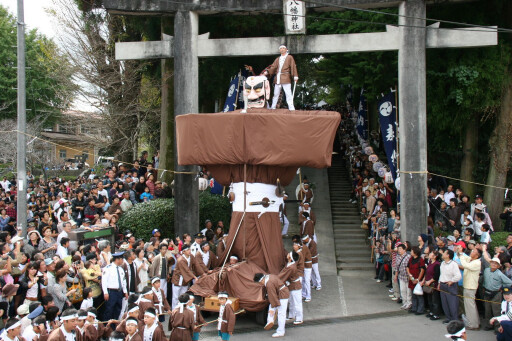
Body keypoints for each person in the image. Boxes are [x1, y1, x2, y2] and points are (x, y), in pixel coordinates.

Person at [254, 273, 289, 338]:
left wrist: (274, 306)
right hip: (281, 292)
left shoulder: (269, 284)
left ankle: (280, 331)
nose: (261, 284)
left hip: (282, 295)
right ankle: (270, 320)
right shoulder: (270, 276)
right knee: (272, 308)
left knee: (281, 314)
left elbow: (272, 297)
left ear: (261, 280)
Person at [264, 44, 298, 111]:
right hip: (278, 78)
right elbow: (273, 67)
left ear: (286, 49)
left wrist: (295, 76)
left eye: (283, 48)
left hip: (286, 77)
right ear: (279, 50)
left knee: (288, 93)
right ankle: (273, 107)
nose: (282, 49)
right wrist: (268, 72)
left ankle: (291, 107)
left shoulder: (289, 57)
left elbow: (293, 66)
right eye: (281, 48)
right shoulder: (277, 59)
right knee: (276, 94)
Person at [457, 245, 482, 330]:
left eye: (474, 252)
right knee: (471, 305)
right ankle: (475, 322)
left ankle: (473, 324)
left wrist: (461, 256)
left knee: (469, 306)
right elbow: (466, 258)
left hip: (470, 287)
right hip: (468, 285)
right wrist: (461, 252)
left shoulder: (477, 262)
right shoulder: (472, 260)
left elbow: (464, 264)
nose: (471, 252)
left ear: (477, 255)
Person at [101, 252, 128, 324]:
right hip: (111, 292)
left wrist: (125, 291)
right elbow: (104, 281)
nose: (122, 261)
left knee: (118, 309)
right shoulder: (108, 268)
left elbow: (123, 281)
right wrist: (105, 292)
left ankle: (114, 326)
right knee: (109, 310)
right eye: (122, 259)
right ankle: (106, 327)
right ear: (117, 259)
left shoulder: (121, 269)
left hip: (119, 292)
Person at [278, 251, 303, 325]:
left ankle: (299, 318)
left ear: (290, 258)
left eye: (289, 254)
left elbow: (283, 275)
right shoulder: (290, 264)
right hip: (291, 285)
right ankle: (291, 315)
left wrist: (275, 279)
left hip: (295, 286)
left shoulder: (291, 267)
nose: (287, 254)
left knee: (297, 302)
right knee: (291, 301)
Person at [439, 249, 462, 325]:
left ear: (448, 255)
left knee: (452, 303)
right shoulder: (442, 263)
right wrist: (439, 283)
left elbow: (458, 275)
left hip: (450, 285)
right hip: (443, 284)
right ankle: (448, 317)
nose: (442, 254)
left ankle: (455, 319)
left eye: (444, 253)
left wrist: (452, 281)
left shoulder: (453, 264)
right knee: (444, 303)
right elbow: (441, 274)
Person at [171, 245, 197, 309]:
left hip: (185, 280)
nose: (189, 251)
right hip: (178, 279)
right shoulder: (181, 260)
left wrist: (204, 272)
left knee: (184, 296)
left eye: (189, 249)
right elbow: (187, 270)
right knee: (176, 296)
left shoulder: (191, 257)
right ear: (183, 251)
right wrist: (194, 277)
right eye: (188, 250)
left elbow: (196, 264)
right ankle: (175, 310)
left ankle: (183, 308)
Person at [395, 243, 412, 310]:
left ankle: (409, 303)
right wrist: (396, 276)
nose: (399, 250)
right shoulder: (397, 257)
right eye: (398, 249)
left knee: (408, 291)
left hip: (407, 276)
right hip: (401, 276)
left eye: (400, 249)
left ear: (404, 249)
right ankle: (404, 302)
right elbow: (397, 267)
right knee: (402, 290)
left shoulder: (408, 257)